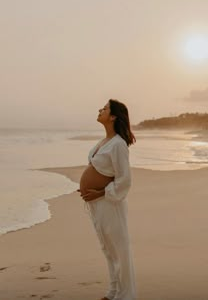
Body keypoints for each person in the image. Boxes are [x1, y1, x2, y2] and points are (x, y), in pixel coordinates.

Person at [78, 99, 137, 300]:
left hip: (110, 203)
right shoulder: (105, 141)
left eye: (104, 109)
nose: (100, 110)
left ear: (113, 117)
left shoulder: (119, 144)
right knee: (108, 249)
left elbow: (125, 180)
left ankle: (126, 296)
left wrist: (101, 193)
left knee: (120, 250)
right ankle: (113, 293)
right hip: (98, 203)